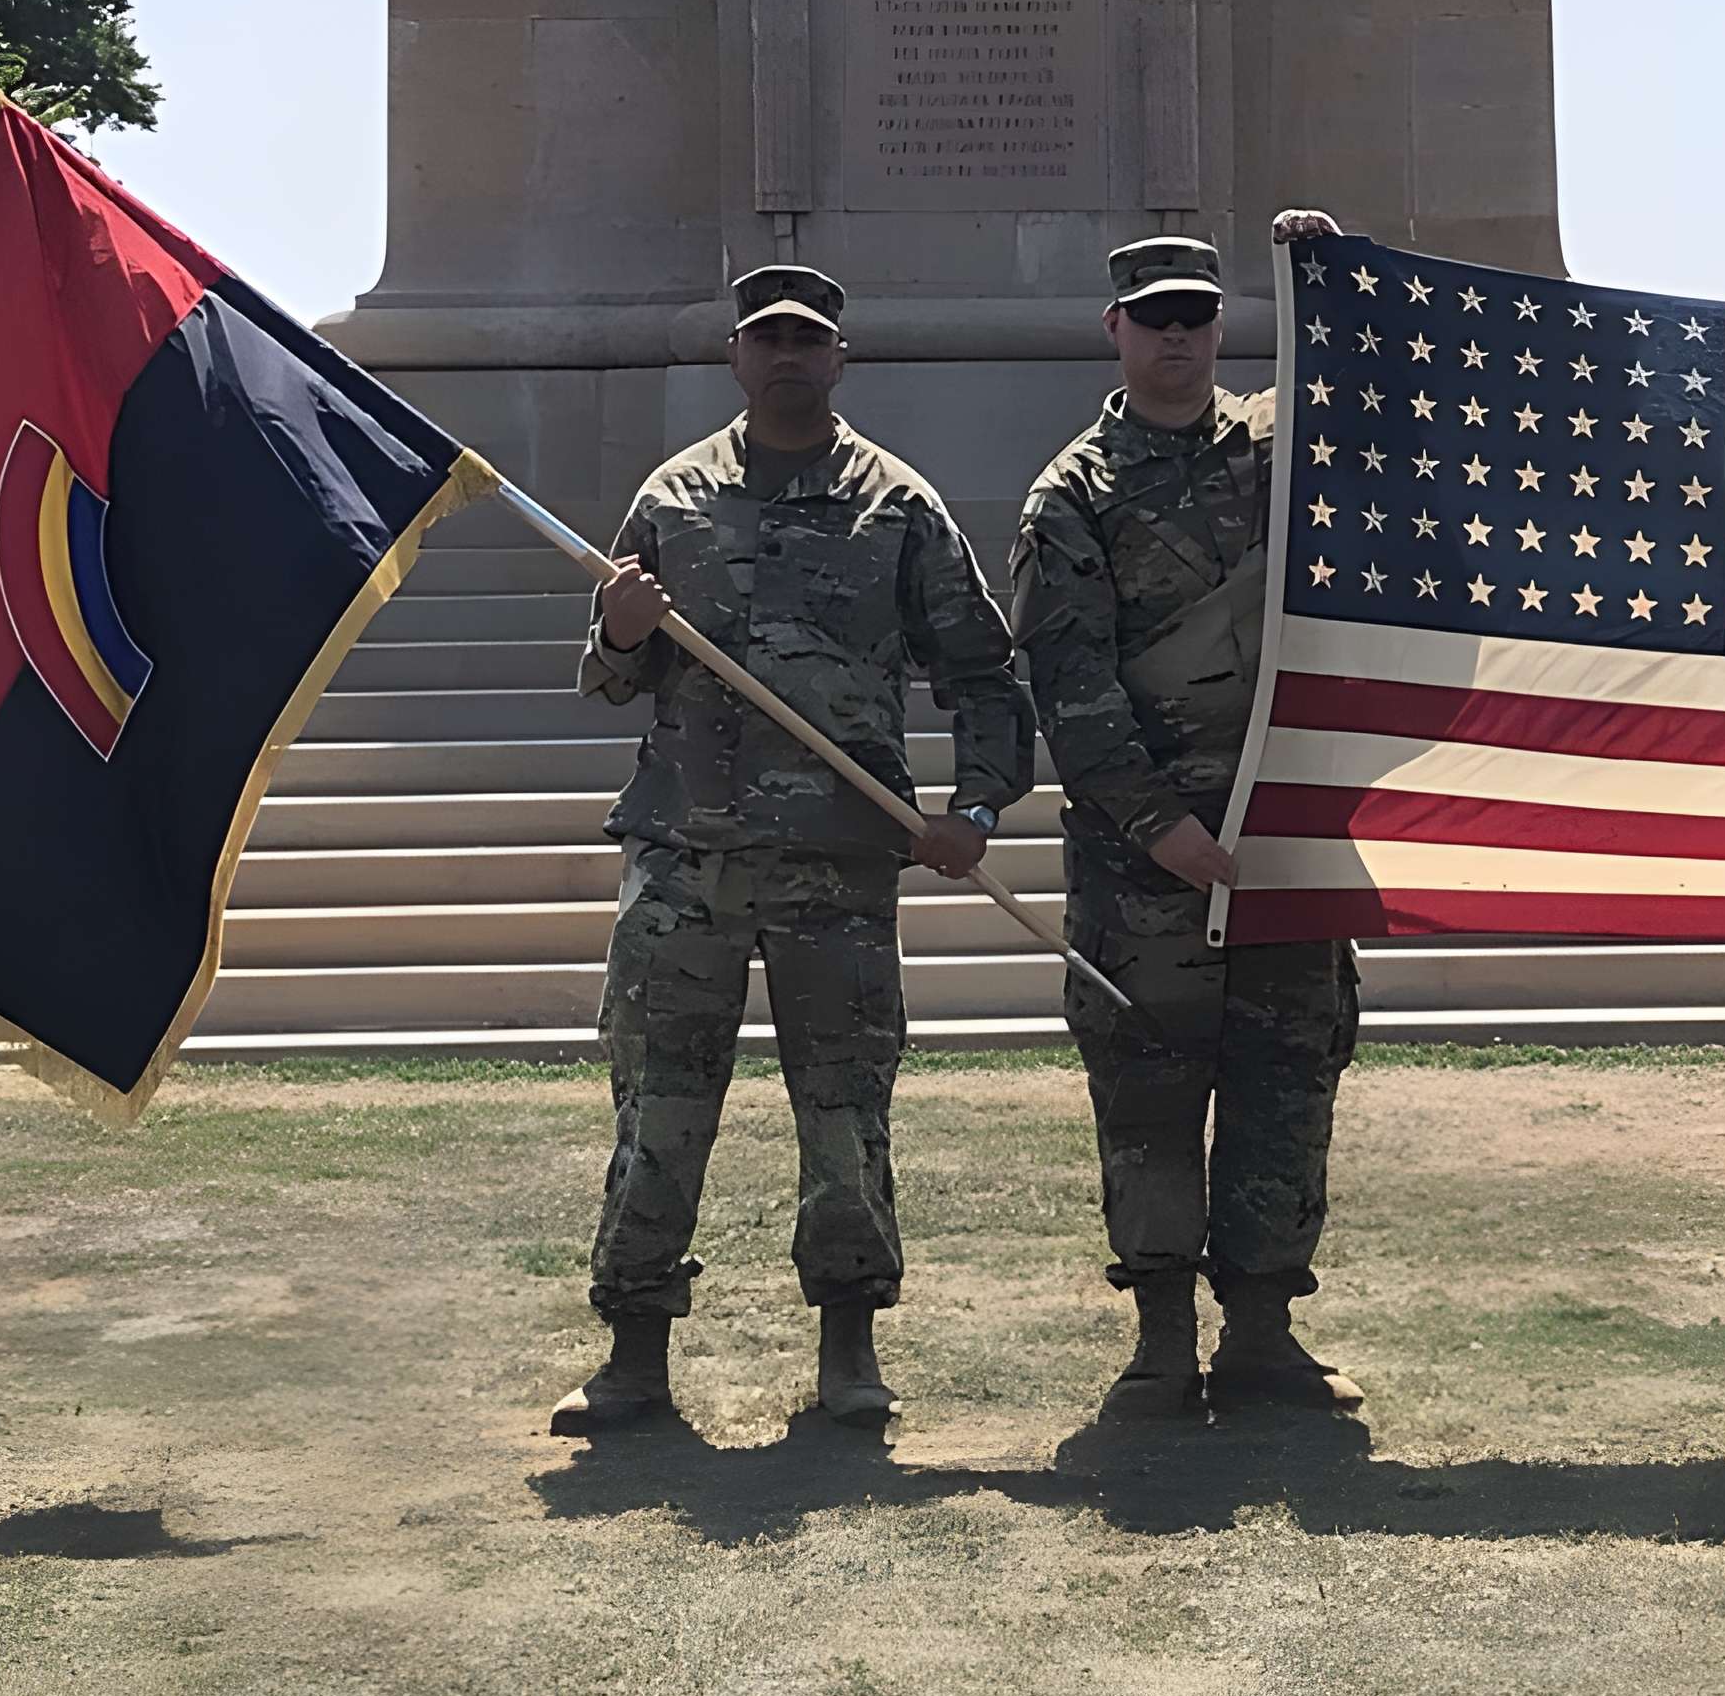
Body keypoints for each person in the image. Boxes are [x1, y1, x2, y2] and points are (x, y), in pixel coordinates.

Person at [550, 265, 1036, 1437]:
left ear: (838, 359)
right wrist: (617, 631)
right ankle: (632, 1352)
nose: (786, 359)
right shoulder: (672, 498)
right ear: (735, 357)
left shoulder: (896, 507)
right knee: (658, 1109)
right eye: (766, 340)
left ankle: (848, 1348)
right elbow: (610, 679)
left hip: (838, 864)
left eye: (806, 341)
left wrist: (975, 804)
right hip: (686, 860)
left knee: (843, 1113)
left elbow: (981, 668)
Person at [1009, 216, 1367, 1419]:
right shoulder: (1071, 496)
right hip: (1143, 863)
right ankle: (1161, 1337)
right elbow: (1069, 680)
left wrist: (1332, 268)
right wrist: (1157, 822)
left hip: (1279, 838)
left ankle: (1261, 1332)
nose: (1177, 335)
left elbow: (1374, 403)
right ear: (1114, 329)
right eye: (1154, 317)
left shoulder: (1279, 448)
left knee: (1283, 1081)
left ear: (1224, 325)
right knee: (1149, 1093)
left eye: (1197, 316)